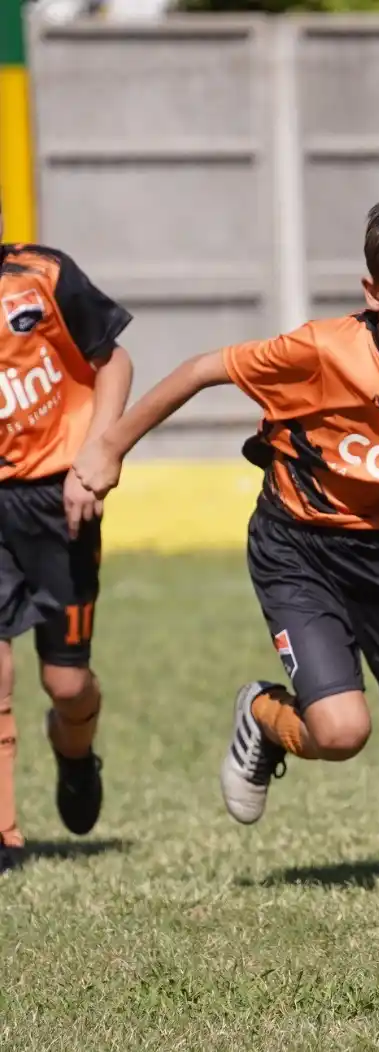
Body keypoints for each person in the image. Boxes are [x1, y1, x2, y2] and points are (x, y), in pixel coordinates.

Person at [72, 186, 379, 885]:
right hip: (296, 550)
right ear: (373, 293)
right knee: (341, 732)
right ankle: (262, 714)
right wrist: (110, 447)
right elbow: (202, 370)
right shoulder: (321, 351)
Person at [0, 202, 134, 875]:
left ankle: (76, 753)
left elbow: (114, 362)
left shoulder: (42, 277)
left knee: (66, 682)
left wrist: (95, 457)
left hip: (58, 500)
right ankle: (5, 835)